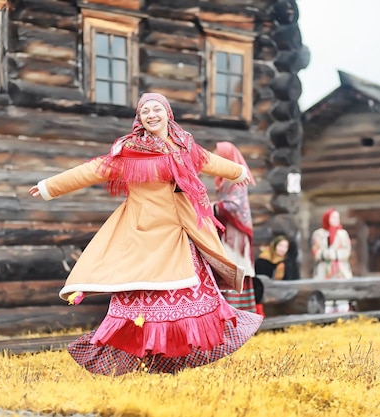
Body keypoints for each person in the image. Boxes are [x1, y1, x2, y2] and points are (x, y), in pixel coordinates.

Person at [29, 93, 263, 376]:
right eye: (145, 111)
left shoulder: (184, 146)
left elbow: (209, 160)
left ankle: (175, 360)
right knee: (143, 302)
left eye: (157, 109)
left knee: (191, 298)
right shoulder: (128, 151)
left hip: (179, 234)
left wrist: (238, 171)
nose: (151, 115)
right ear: (139, 119)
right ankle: (133, 359)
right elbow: (93, 170)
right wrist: (48, 187)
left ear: (168, 114)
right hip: (144, 236)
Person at [213, 141, 259, 314]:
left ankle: (239, 313)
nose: (215, 156)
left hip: (236, 235)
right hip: (228, 232)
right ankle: (228, 312)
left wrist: (214, 207)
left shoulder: (236, 178)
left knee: (235, 268)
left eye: (218, 153)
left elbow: (235, 206)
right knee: (228, 269)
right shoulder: (224, 180)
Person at [310, 208, 352, 312]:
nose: (335, 219)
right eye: (333, 217)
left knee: (341, 294)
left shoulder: (342, 234)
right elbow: (315, 251)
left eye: (337, 217)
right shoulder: (318, 234)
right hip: (324, 270)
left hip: (340, 270)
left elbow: (347, 251)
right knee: (325, 293)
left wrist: (334, 254)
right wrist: (324, 254)